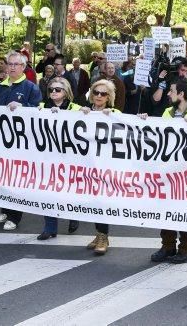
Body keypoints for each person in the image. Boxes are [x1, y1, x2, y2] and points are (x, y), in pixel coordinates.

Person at [0, 52, 42, 229]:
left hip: (20, 142)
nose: (11, 67)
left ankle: (15, 216)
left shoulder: (30, 87)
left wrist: (24, 107)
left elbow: (39, 112)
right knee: (2, 176)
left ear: (23, 67)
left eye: (15, 64)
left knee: (15, 178)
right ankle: (5, 208)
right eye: (9, 64)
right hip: (0, 141)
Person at [147, 79, 187, 263]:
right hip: (168, 171)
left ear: (181, 94)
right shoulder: (167, 112)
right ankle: (167, 246)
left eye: (171, 91)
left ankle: (185, 248)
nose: (168, 94)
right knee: (165, 208)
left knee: (186, 211)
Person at [79, 78, 121, 254]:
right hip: (87, 164)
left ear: (109, 97)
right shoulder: (83, 111)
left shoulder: (114, 113)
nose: (99, 96)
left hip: (106, 164)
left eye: (103, 93)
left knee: (102, 200)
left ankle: (104, 236)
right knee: (94, 200)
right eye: (96, 92)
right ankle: (99, 233)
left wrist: (141, 118)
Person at [36, 78, 81, 238]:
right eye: (51, 90)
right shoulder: (41, 107)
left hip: (70, 157)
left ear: (66, 92)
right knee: (48, 191)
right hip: (48, 156)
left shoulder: (75, 108)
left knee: (70, 190)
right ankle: (50, 227)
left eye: (58, 89)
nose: (54, 92)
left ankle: (74, 216)